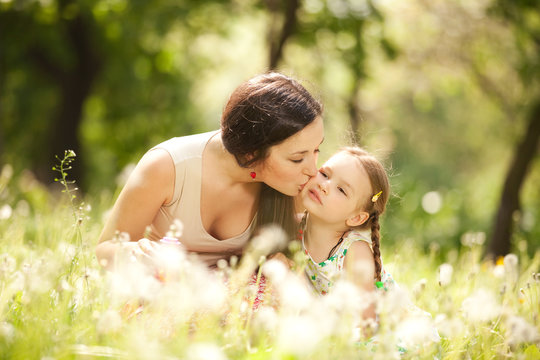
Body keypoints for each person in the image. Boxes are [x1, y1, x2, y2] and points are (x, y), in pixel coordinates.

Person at [96, 72, 324, 270]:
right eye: (297, 159)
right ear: (251, 153)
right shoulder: (166, 166)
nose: (313, 170)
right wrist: (135, 253)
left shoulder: (299, 187)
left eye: (317, 150)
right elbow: (104, 250)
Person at [297, 146, 393, 320]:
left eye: (341, 190)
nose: (324, 185)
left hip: (382, 329)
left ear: (356, 218)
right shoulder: (293, 226)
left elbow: (366, 324)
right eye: (325, 174)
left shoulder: (355, 252)